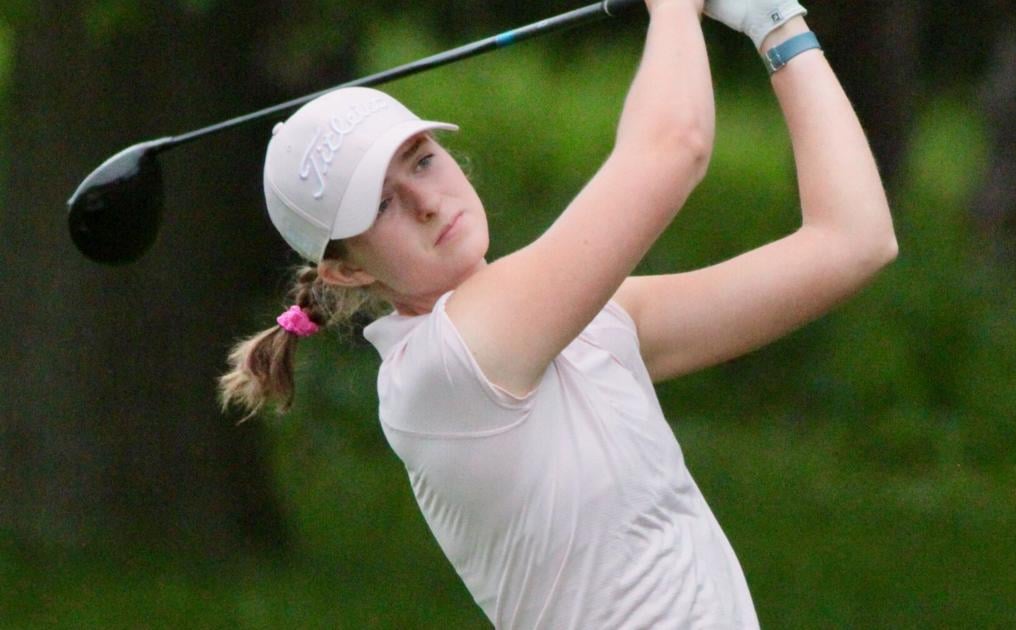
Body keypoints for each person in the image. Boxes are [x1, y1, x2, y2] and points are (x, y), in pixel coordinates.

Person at [221, 0, 896, 626]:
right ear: (347, 271)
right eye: (381, 205)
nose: (426, 201)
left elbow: (852, 242)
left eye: (422, 161)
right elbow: (672, 148)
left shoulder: (586, 323)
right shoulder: (447, 364)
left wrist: (775, 22)